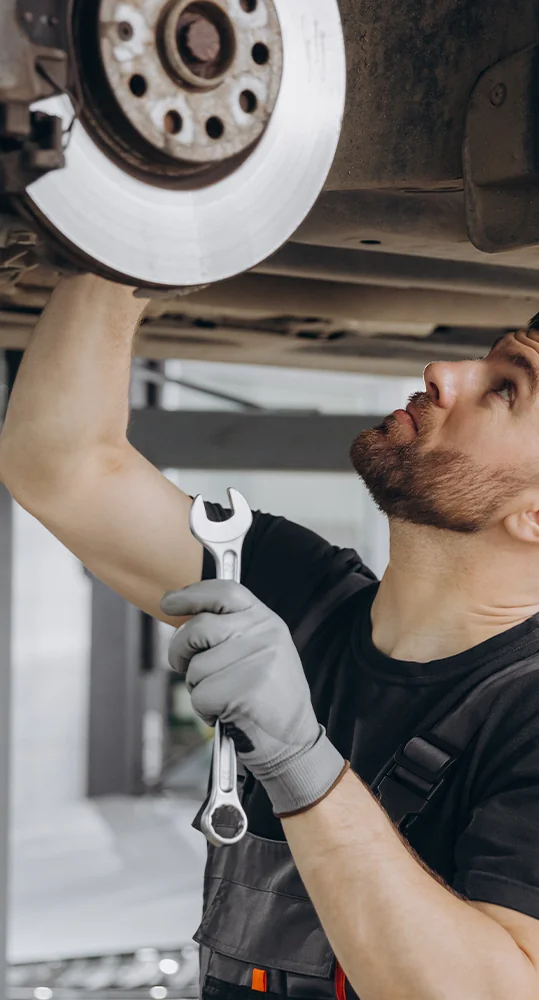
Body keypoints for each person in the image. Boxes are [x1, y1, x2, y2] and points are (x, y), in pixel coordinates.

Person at [1, 273, 539, 1000]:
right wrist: (115, 250)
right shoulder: (300, 591)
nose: (441, 372)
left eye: (505, 389)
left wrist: (299, 760)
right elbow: (63, 468)